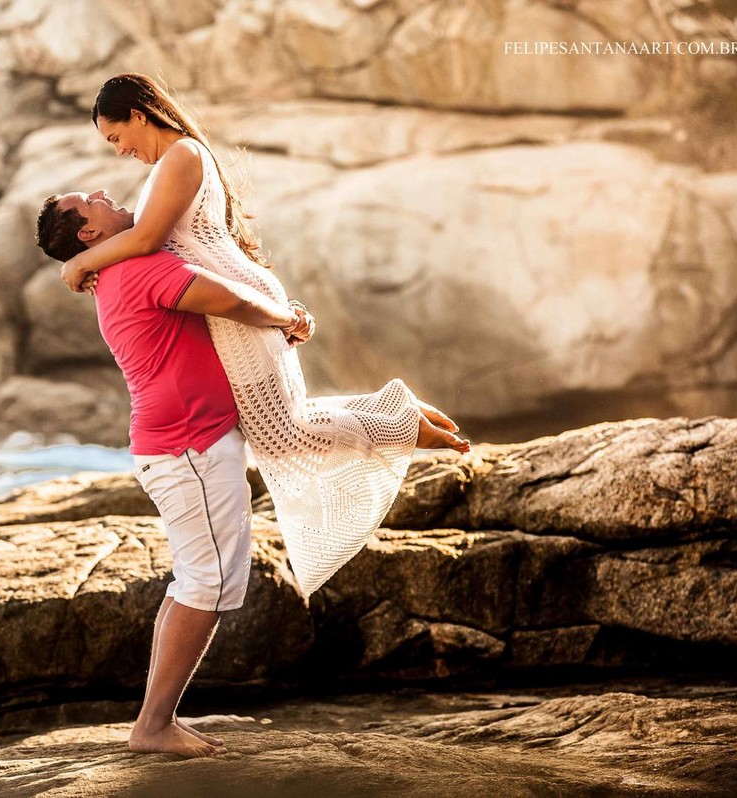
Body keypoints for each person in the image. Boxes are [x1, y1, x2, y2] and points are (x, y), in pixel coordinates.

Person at [59, 73, 470, 597]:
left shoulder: (182, 156)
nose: (119, 152)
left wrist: (79, 265)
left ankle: (400, 422)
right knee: (282, 429)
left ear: (138, 115)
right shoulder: (170, 165)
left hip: (235, 307)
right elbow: (144, 242)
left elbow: (146, 238)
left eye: (116, 138)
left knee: (285, 435)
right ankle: (397, 416)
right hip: (232, 303)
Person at [35, 187, 313, 758]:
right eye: (88, 201)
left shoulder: (119, 266)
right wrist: (289, 317)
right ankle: (154, 727)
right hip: (190, 447)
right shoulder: (135, 268)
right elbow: (227, 301)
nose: (102, 192)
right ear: (88, 233)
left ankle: (154, 721)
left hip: (182, 444)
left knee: (195, 580)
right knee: (207, 585)